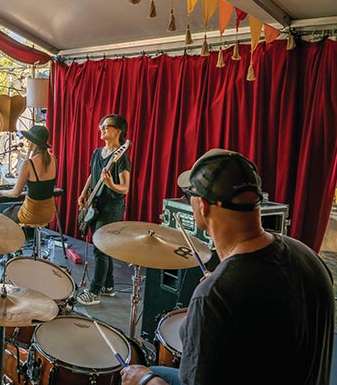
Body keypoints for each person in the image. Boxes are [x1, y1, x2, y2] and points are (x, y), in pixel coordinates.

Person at [121, 149, 334, 385]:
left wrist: (145, 380)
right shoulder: (308, 256)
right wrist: (225, 280)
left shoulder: (215, 296)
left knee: (145, 373)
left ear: (203, 206)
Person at [76, 114, 131, 306]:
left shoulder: (121, 157)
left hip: (112, 207)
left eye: (106, 126)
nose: (102, 129)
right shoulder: (97, 153)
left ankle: (94, 291)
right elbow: (93, 176)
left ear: (118, 131)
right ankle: (108, 286)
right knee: (102, 249)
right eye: (101, 125)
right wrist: (84, 193)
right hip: (95, 204)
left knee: (100, 249)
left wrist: (111, 184)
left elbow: (125, 188)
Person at [0, 125, 57, 229]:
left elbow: (15, 193)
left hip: (31, 213)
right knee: (14, 207)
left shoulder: (28, 164)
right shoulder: (53, 159)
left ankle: (12, 244)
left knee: (3, 212)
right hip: (49, 212)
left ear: (32, 142)